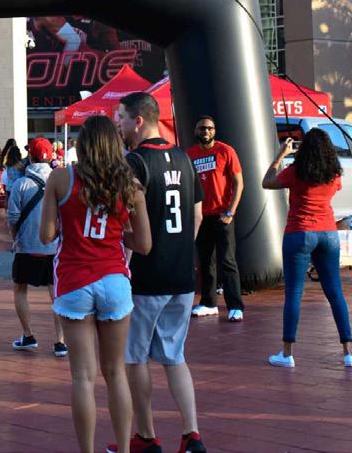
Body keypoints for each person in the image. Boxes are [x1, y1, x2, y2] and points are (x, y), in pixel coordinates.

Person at [39, 115, 151, 453]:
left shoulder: (61, 178)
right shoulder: (130, 184)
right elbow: (145, 245)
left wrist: (70, 226)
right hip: (114, 278)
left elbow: (46, 236)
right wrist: (117, 235)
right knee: (115, 373)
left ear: (83, 144)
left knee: (82, 377)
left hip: (74, 280)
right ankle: (124, 448)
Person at [114, 92, 207, 453]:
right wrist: (180, 249)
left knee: (135, 357)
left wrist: (124, 262)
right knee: (174, 355)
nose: (118, 125)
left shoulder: (134, 163)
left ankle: (146, 435)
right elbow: (197, 214)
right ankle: (192, 434)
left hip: (146, 275)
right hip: (182, 275)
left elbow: (127, 221)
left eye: (121, 118)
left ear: (138, 120)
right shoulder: (185, 157)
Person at [262, 129, 352, 369]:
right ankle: (349, 353)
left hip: (299, 233)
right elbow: (334, 188)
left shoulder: (295, 171)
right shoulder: (333, 174)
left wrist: (280, 155)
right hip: (328, 233)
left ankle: (287, 354)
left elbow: (267, 182)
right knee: (335, 293)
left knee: (294, 293)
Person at [7, 137, 66, 357]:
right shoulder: (61, 181)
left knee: (20, 288)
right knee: (56, 293)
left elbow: (13, 217)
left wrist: (15, 239)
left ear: (30, 156)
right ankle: (60, 341)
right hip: (55, 248)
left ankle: (28, 335)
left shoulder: (21, 184)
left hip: (26, 246)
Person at [186, 116, 244, 322]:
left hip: (222, 216)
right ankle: (209, 303)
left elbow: (239, 183)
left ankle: (235, 306)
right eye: (202, 128)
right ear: (196, 130)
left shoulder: (225, 151)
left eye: (210, 128)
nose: (206, 131)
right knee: (205, 262)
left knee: (227, 261)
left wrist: (230, 212)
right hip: (202, 216)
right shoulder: (190, 154)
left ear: (215, 131)